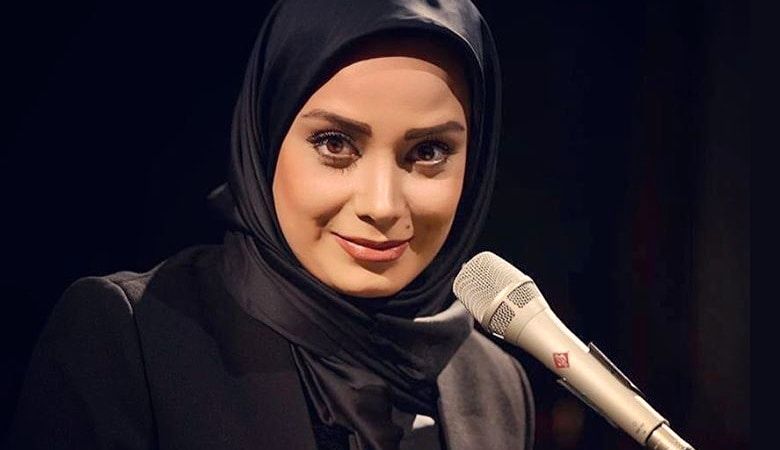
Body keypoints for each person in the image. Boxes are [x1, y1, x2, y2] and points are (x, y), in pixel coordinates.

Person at [6, 0, 534, 449]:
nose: (383, 205)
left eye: (428, 151)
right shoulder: (131, 340)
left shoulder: (495, 385)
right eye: (335, 144)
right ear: (265, 137)